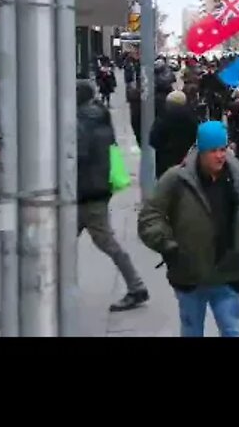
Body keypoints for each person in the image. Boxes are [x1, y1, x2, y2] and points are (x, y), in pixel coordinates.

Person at [138, 121, 239, 337]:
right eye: (213, 151)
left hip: (229, 274)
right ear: (201, 151)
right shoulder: (176, 179)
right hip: (190, 275)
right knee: (191, 331)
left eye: (223, 149)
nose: (220, 155)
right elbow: (149, 216)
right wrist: (168, 245)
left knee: (232, 331)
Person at [77, 81, 148, 312]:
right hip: (94, 190)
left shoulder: (82, 122)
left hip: (86, 193)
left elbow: (77, 154)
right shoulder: (99, 117)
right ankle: (55, 287)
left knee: (106, 242)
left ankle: (136, 287)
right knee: (60, 242)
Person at [150, 91, 198, 178]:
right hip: (186, 160)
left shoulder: (163, 117)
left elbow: (153, 139)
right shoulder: (191, 117)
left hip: (165, 162)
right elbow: (196, 136)